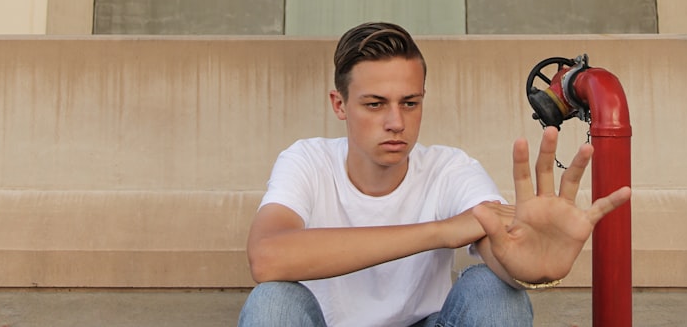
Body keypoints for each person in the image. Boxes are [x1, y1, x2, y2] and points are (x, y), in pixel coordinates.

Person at [238, 22, 631, 327]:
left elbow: (501, 251)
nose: (396, 122)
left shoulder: (450, 169)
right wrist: (441, 232)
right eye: (375, 104)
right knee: (273, 302)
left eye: (410, 103)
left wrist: (531, 265)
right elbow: (267, 257)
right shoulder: (307, 160)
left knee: (493, 291)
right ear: (339, 105)